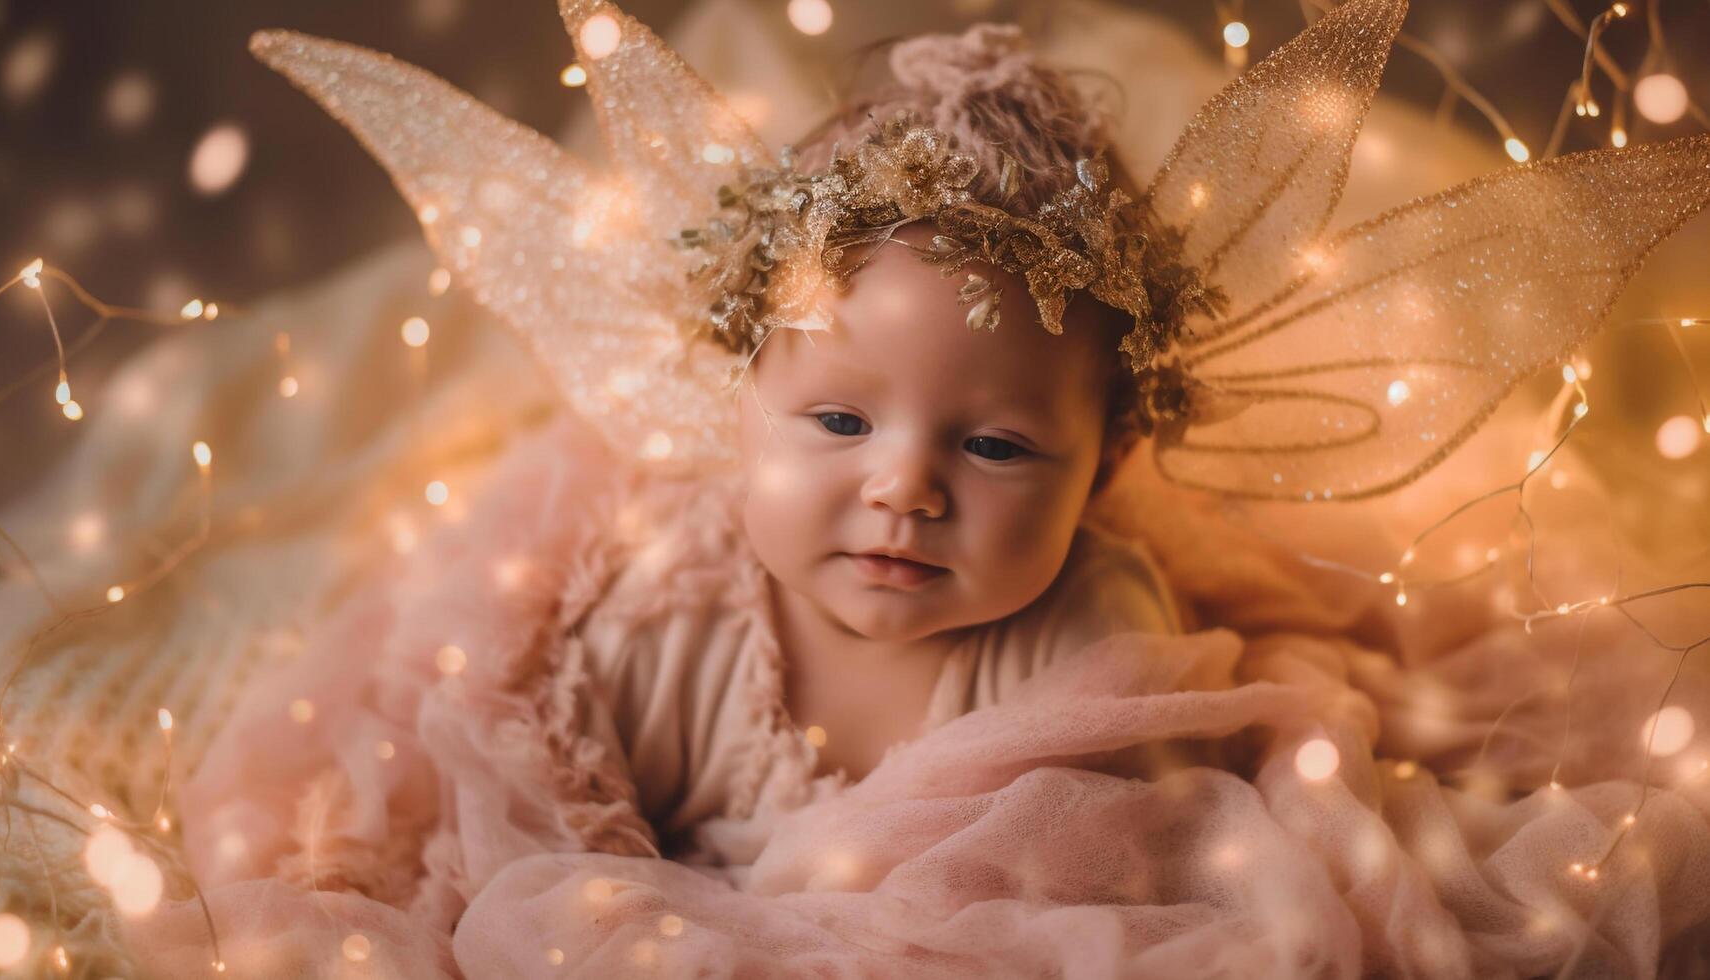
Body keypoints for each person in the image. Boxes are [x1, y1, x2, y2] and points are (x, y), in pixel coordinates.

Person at [123, 0, 1710, 975]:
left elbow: (1105, 904)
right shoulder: (673, 609)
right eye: (834, 423)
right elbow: (553, 805)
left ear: (1107, 469)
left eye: (997, 446)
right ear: (739, 399)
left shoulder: (1098, 650)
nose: (905, 491)